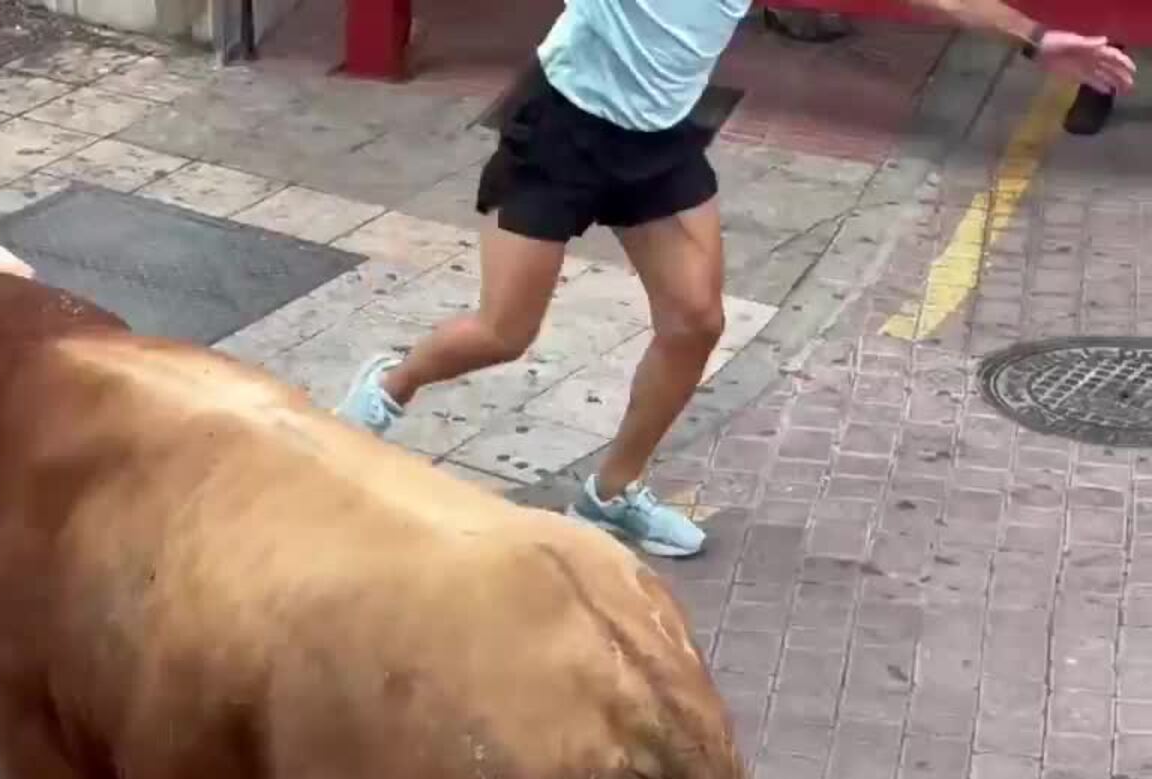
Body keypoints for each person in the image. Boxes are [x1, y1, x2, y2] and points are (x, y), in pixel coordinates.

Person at [334, 0, 1136, 558]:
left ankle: (609, 495)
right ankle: (388, 389)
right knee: (504, 333)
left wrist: (1037, 40)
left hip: (659, 142)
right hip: (564, 127)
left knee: (696, 320)